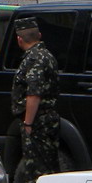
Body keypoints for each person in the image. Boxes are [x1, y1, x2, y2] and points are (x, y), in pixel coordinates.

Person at [11, 17, 60, 172]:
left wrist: (28, 124)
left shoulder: (34, 59)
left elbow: (34, 94)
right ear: (39, 35)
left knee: (36, 171)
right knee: (49, 165)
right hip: (47, 119)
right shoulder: (47, 55)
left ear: (19, 39)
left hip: (38, 123)